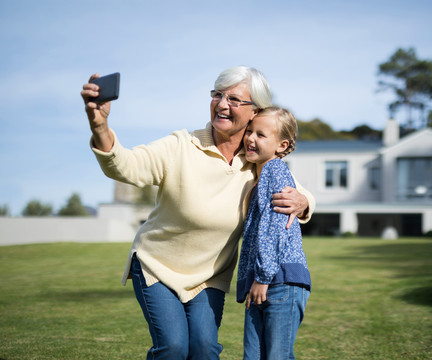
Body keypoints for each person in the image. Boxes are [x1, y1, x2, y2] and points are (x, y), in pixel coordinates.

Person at [80, 66, 315, 360]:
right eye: (217, 95)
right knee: (174, 348)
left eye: (234, 99)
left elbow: (296, 191)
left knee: (205, 349)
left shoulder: (255, 158)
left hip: (210, 277)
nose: (222, 104)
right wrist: (100, 126)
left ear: (255, 111)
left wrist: (303, 202)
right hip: (158, 266)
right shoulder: (181, 146)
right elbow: (125, 165)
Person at [236, 107, 311, 359]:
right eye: (249, 131)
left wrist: (263, 277)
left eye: (260, 134)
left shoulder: (274, 170)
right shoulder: (259, 175)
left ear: (282, 145)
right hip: (263, 280)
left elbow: (276, 226)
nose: (250, 138)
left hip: (279, 282)